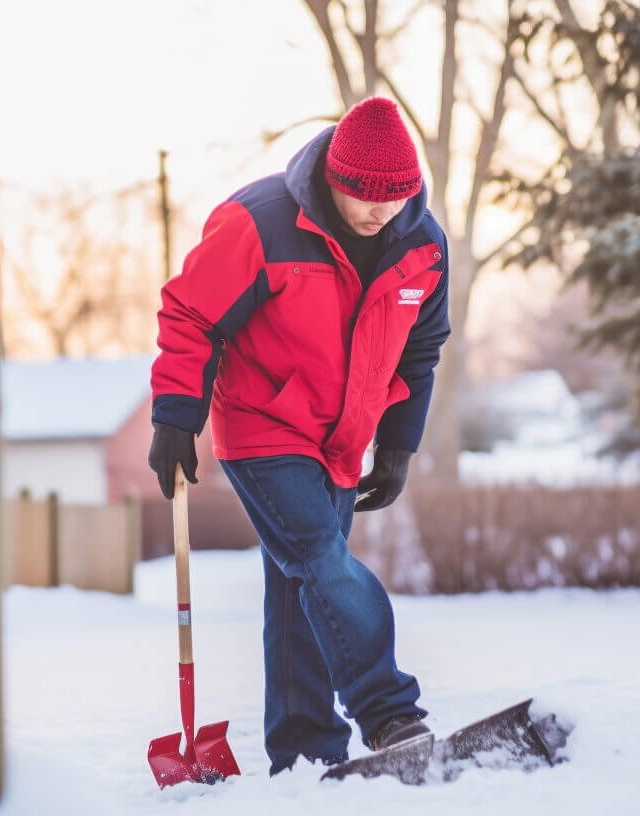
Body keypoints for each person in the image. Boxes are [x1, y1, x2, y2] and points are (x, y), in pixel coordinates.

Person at [147, 96, 450, 776]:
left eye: (395, 196)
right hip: (263, 425)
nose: (380, 210)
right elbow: (191, 313)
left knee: (298, 592)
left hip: (343, 440)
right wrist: (175, 415)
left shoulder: (424, 244)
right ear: (332, 176)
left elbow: (421, 348)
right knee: (320, 559)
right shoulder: (260, 224)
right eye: (364, 195)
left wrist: (398, 445)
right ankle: (388, 710)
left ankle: (306, 754)